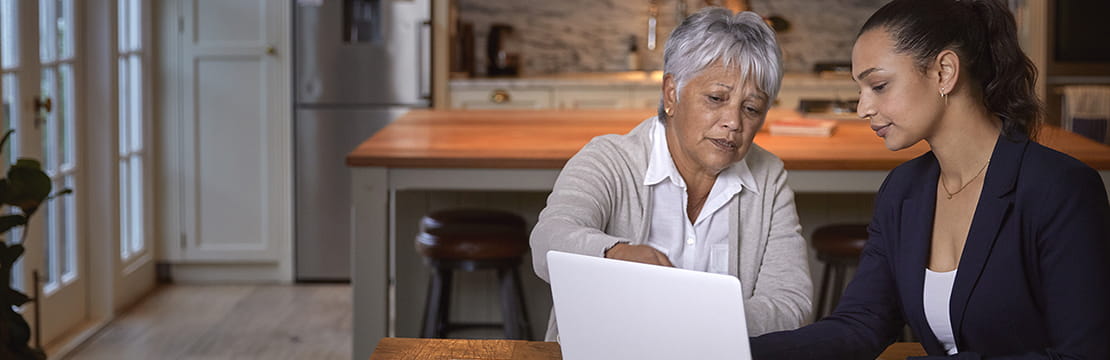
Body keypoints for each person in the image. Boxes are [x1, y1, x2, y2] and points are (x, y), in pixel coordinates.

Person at [750, 0, 1110, 358]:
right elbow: (861, 324)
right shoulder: (903, 190)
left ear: (944, 72)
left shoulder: (1061, 189)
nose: (863, 108)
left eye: (878, 85)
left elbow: (1084, 354)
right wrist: (735, 351)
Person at [529, 7, 812, 341]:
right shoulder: (609, 159)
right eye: (716, 98)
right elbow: (548, 239)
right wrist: (615, 255)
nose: (734, 122)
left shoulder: (769, 178)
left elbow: (792, 305)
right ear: (671, 94)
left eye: (751, 108)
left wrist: (690, 317)